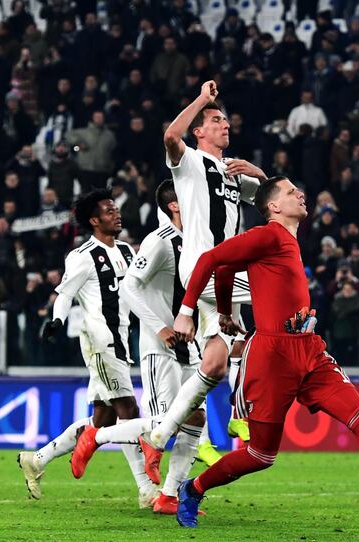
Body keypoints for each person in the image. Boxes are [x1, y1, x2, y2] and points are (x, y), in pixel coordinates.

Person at [172, 176, 359, 527]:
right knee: (260, 455)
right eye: (290, 192)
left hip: (309, 350)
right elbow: (212, 259)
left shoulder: (288, 239)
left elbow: (226, 269)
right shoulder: (268, 235)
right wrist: (187, 312)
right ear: (274, 207)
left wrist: (226, 312)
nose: (300, 193)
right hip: (271, 358)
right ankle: (193, 489)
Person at [69, 180, 212, 515]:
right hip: (160, 345)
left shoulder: (196, 241)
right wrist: (160, 327)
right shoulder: (158, 241)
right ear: (176, 204)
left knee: (195, 419)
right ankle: (95, 436)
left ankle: (168, 495)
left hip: (189, 344)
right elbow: (129, 289)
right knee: (166, 421)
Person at [17, 189, 157, 508]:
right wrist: (56, 320)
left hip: (120, 336)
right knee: (128, 411)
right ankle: (147, 489)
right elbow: (66, 293)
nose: (116, 214)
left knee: (102, 419)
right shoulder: (82, 255)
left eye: (116, 209)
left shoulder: (125, 249)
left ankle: (37, 460)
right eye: (109, 211)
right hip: (99, 339)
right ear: (94, 221)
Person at [148, 80, 266, 450]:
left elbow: (272, 202)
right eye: (216, 121)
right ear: (199, 131)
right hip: (206, 268)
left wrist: (258, 173)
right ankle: (239, 414)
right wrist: (202, 99)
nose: (225, 125)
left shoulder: (233, 171)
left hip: (227, 274)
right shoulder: (191, 164)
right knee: (276, 293)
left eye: (226, 121)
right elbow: (170, 136)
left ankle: (162, 430)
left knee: (219, 361)